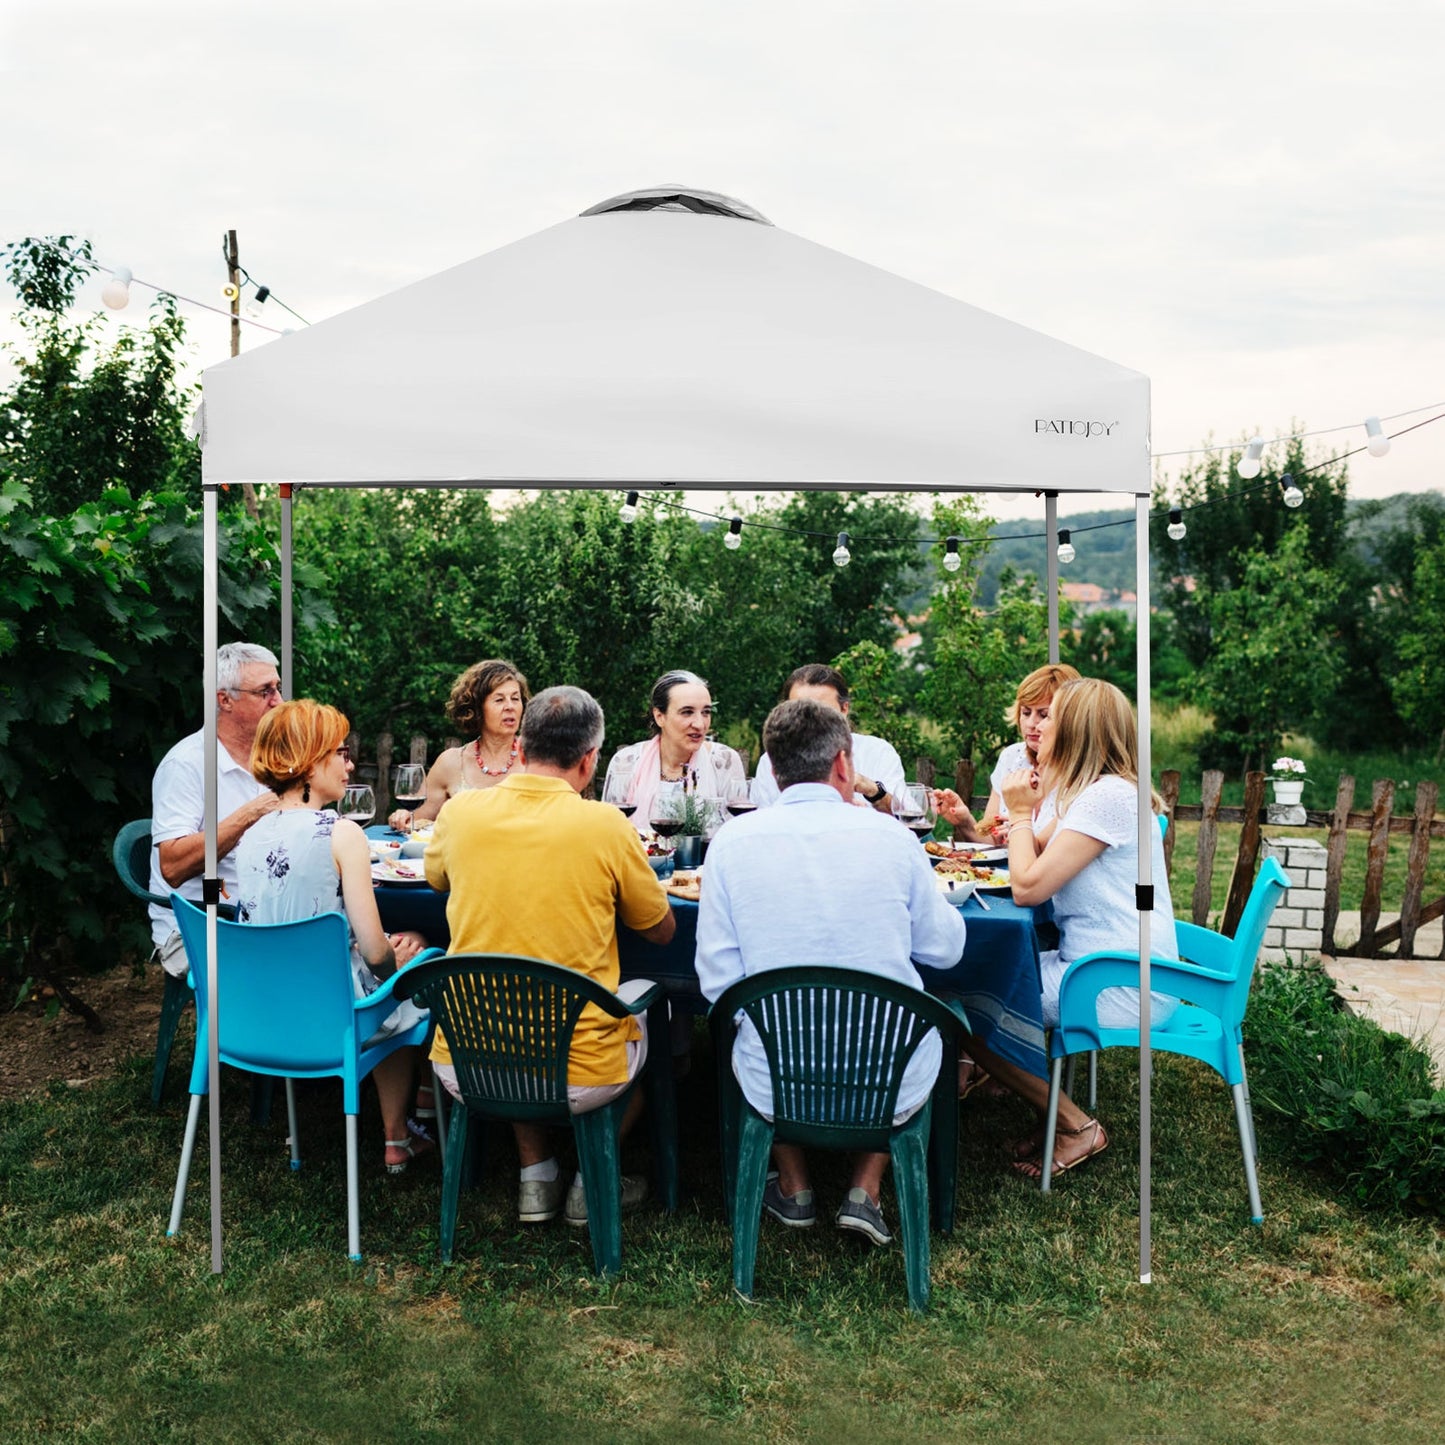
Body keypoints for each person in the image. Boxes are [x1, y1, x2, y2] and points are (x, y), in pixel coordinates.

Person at [696, 697, 966, 1248]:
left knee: (757, 1023)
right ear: (844, 764)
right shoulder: (896, 839)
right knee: (914, 1023)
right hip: (886, 1080)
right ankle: (865, 1190)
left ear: (772, 770)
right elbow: (945, 951)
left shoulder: (729, 845)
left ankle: (794, 1187)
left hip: (775, 1075)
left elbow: (718, 982)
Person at [424, 685, 677, 1227]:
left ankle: (535, 1177)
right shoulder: (608, 826)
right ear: (589, 761)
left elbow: (433, 878)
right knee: (656, 1014)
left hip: (465, 1061)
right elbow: (660, 931)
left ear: (522, 747)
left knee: (512, 1004)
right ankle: (590, 1180)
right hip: (580, 1071)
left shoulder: (460, 812)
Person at [959, 677, 1180, 1180]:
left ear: (1076, 729)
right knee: (979, 975)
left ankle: (1075, 1125)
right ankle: (1050, 1114)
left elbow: (1027, 887)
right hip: (1096, 962)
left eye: (1050, 715)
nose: (1037, 726)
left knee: (963, 1004)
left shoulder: (1107, 798)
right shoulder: (1089, 791)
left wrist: (1017, 813)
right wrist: (1015, 820)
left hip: (1118, 980)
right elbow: (1027, 854)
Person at [235, 699, 434, 1174]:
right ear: (306, 762)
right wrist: (401, 960)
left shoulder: (249, 834)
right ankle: (402, 1132)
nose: (348, 764)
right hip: (333, 1016)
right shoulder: (341, 833)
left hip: (263, 1012)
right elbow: (373, 953)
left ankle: (399, 1132)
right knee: (416, 965)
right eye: (338, 754)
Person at [149, 642, 284, 978]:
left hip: (263, 914)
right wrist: (250, 814)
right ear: (224, 699)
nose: (278, 701)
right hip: (200, 926)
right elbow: (173, 864)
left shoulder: (274, 757)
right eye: (265, 691)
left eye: (278, 688)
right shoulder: (187, 764)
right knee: (308, 959)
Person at [932, 662, 1080, 843]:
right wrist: (964, 821)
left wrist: (1018, 831)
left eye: (1044, 714)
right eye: (1026, 712)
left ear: (1071, 718)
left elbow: (1046, 858)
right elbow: (992, 840)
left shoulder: (1083, 774)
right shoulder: (1012, 756)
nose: (1031, 723)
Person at [387, 659, 530, 831]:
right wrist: (401, 817)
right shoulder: (451, 763)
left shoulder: (538, 759)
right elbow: (413, 821)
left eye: (515, 698)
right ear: (476, 709)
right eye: (499, 700)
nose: (510, 706)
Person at [601, 670, 746, 834]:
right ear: (659, 716)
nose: (700, 724)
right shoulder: (625, 762)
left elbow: (738, 832)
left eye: (706, 712)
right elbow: (609, 831)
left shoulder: (724, 761)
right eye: (687, 712)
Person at [750, 663, 906, 813]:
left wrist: (873, 790)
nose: (810, 722)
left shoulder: (878, 752)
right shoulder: (770, 760)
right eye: (797, 710)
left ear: (844, 709)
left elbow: (907, 820)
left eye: (822, 712)